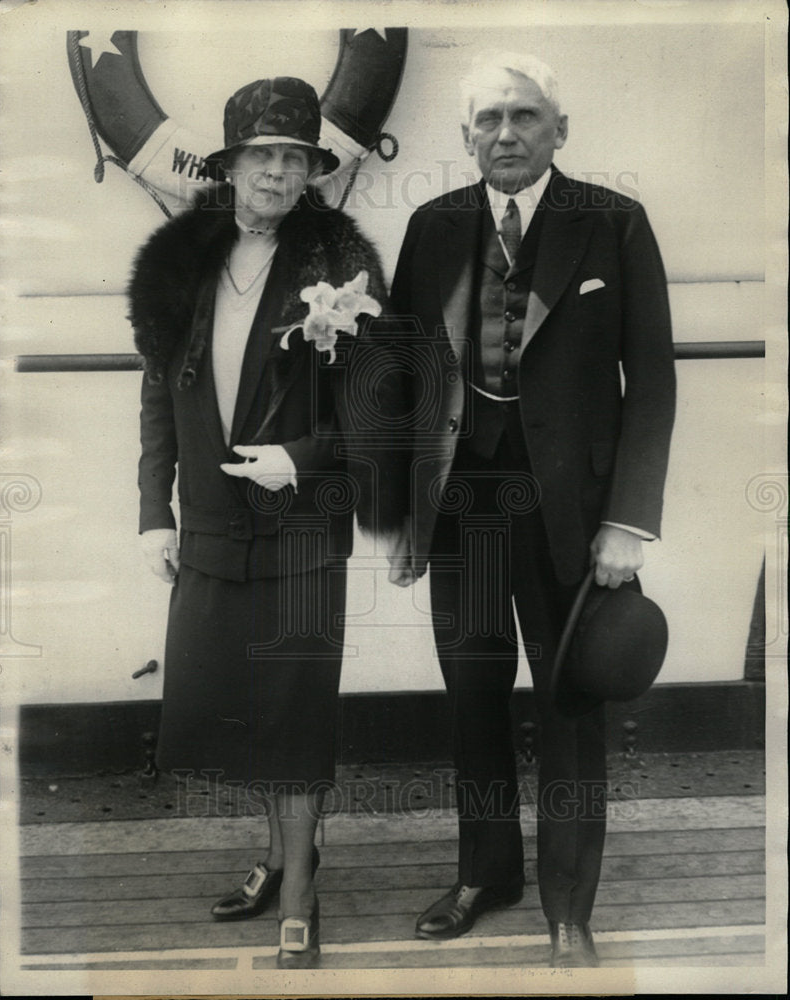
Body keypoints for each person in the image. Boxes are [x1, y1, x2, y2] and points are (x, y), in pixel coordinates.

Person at [386, 51, 676, 967]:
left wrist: (627, 521)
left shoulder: (613, 222)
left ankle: (567, 907)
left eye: (523, 116)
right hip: (461, 505)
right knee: (472, 698)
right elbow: (401, 378)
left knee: (568, 706)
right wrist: (401, 515)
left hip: (574, 517)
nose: (504, 134)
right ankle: (485, 875)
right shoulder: (434, 226)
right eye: (488, 119)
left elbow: (652, 382)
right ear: (465, 134)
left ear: (559, 129)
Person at [128, 76, 403, 970]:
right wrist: (154, 514)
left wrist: (303, 459)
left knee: (292, 713)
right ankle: (282, 853)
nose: (277, 172)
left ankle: (298, 897)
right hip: (212, 523)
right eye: (261, 156)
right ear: (230, 165)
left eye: (294, 157)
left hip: (301, 528)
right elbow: (158, 396)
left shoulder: (341, 264)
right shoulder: (183, 261)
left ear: (311, 170)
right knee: (237, 710)